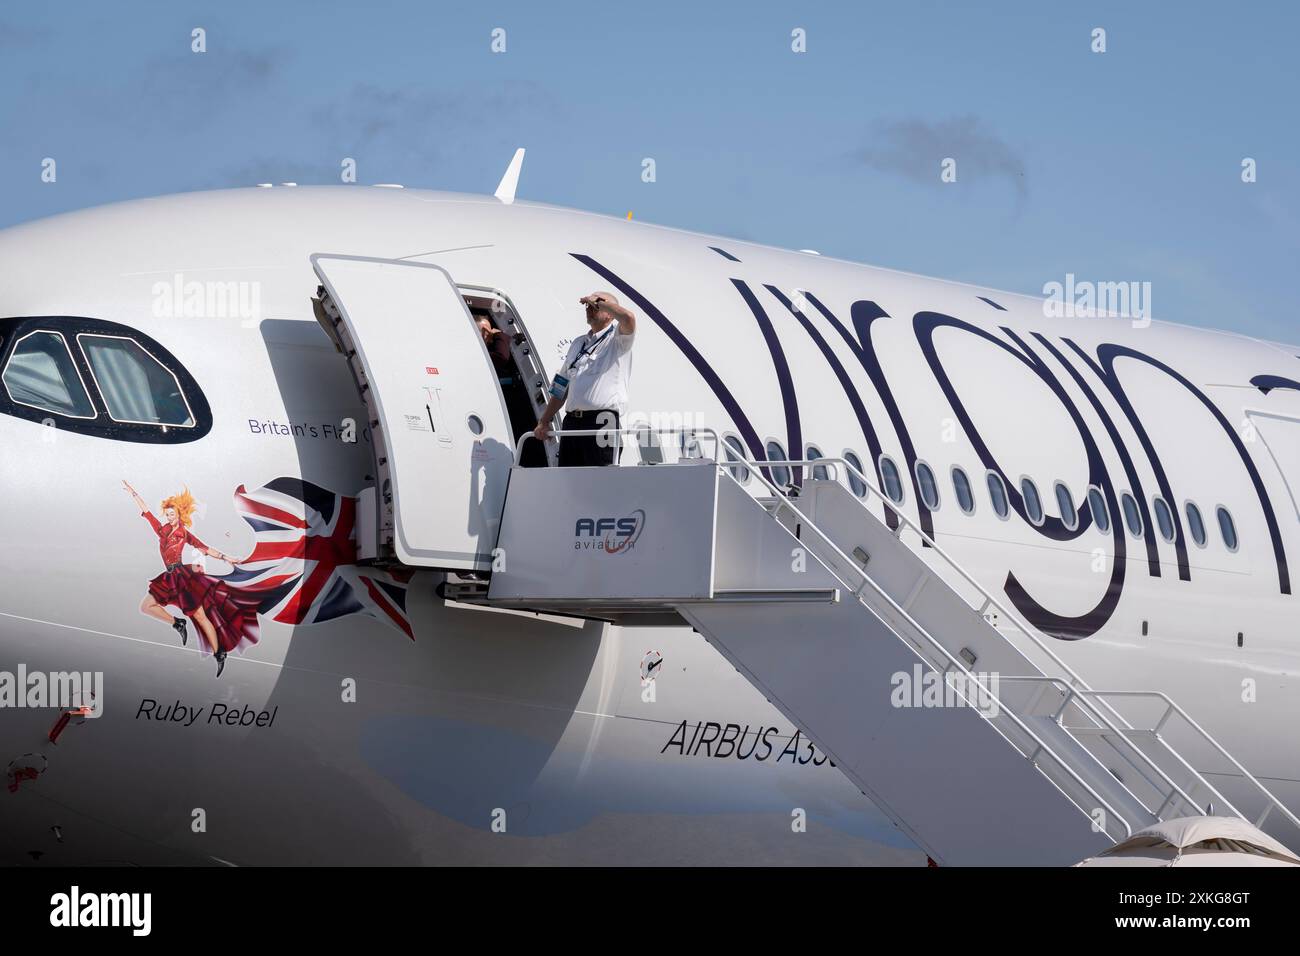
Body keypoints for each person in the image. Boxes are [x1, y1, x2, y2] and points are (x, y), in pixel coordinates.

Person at [123, 481, 260, 678]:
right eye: (167, 514)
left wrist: (226, 557)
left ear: (179, 515)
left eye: (172, 514)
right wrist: (133, 493)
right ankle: (177, 623)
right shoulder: (162, 531)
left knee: (200, 616)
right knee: (146, 607)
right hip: (168, 577)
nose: (169, 517)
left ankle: (218, 652)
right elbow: (147, 514)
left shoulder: (184, 534)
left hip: (182, 577)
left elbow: (205, 548)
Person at [532, 292, 636, 466]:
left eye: (596, 306)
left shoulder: (618, 340)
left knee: (600, 482)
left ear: (610, 312)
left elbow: (628, 318)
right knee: (569, 480)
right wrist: (544, 420)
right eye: (588, 306)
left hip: (602, 422)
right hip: (572, 422)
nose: (590, 308)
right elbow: (561, 386)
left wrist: (600, 302)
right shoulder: (578, 343)